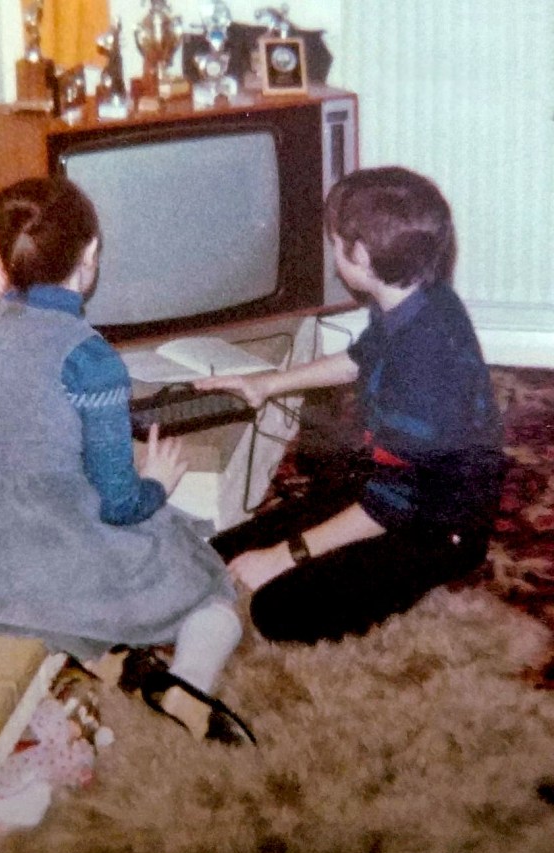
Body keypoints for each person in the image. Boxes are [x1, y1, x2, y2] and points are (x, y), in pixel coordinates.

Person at [0, 176, 253, 745]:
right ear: (90, 257)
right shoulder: (91, 358)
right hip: (53, 547)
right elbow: (120, 504)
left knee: (65, 599)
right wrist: (156, 483)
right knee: (209, 582)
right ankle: (188, 683)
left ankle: (108, 657)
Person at [199, 166, 505, 644]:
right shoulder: (418, 299)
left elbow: (387, 507)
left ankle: (425, 575)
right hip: (394, 480)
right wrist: (267, 383)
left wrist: (287, 554)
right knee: (223, 551)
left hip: (437, 525)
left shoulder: (421, 369)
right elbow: (359, 358)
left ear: (360, 256)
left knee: (276, 610)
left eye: (336, 242)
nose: (332, 250)